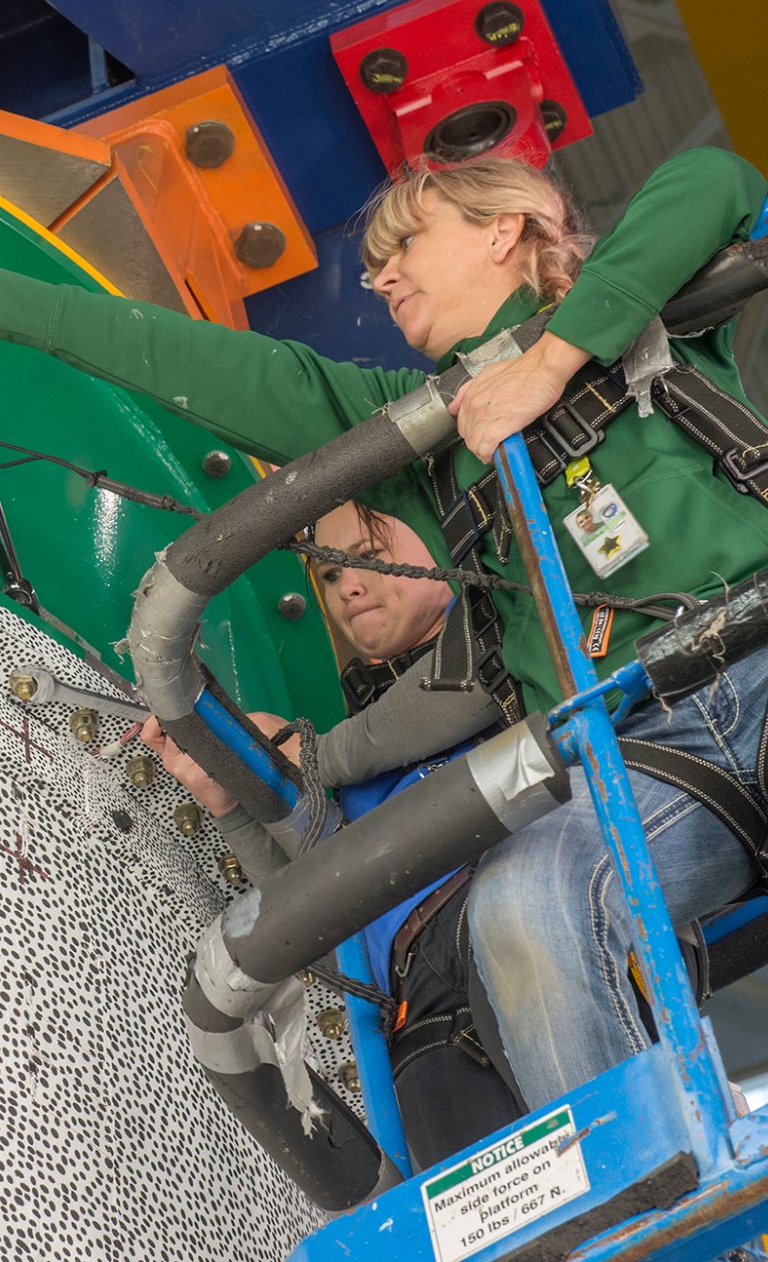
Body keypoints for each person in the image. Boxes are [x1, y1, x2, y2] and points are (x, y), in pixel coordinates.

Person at [0, 146, 768, 1119]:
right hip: (642, 749)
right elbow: (216, 370)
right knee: (521, 904)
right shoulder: (426, 438)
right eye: (373, 266)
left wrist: (544, 363)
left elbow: (712, 178)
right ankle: (652, 1206)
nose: (378, 275)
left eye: (407, 243)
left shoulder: (645, 318)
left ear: (512, 231)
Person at [146, 500, 521, 1170]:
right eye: (328, 576)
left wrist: (302, 753)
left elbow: (470, 682)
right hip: (417, 1012)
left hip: (508, 926)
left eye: (368, 559)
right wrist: (229, 802)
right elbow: (324, 931)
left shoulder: (513, 642)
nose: (347, 585)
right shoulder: (360, 735)